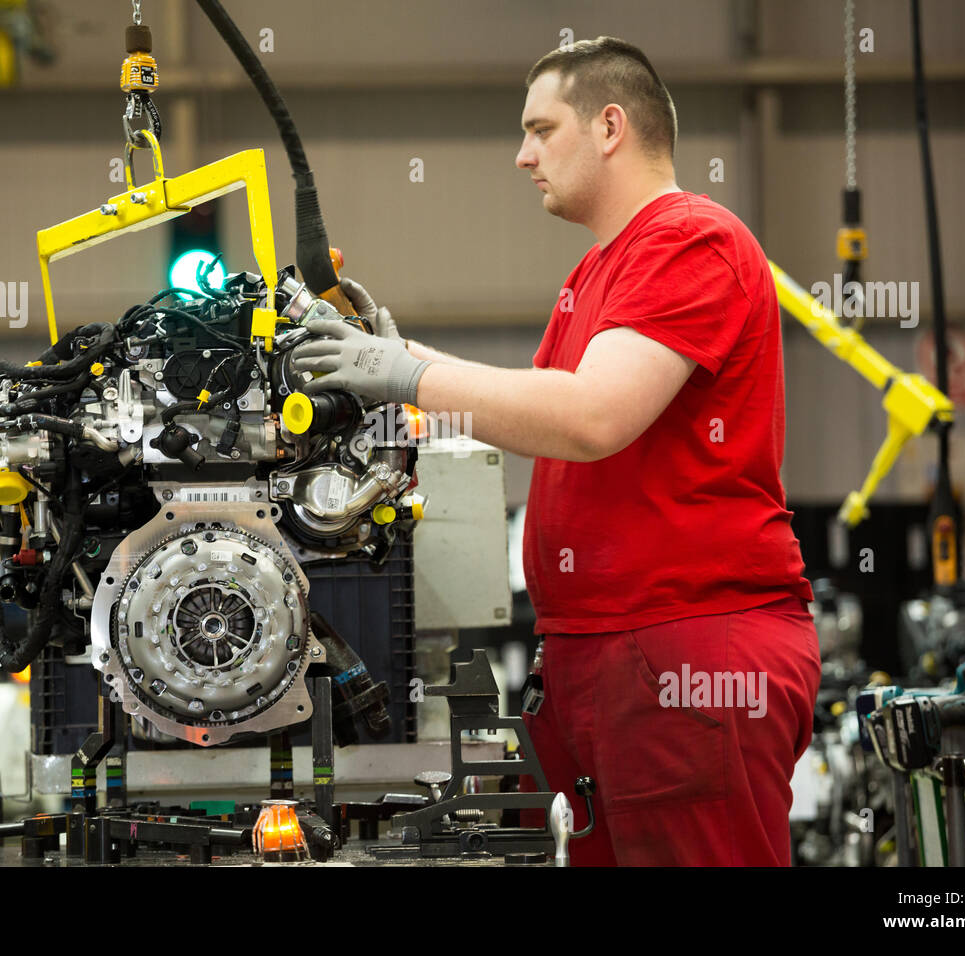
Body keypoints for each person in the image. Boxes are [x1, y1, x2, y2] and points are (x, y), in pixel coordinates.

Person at [289, 36, 820, 866]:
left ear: (610, 125)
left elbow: (590, 418)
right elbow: (528, 414)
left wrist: (405, 374)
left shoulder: (689, 240)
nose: (522, 155)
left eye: (541, 129)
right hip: (601, 656)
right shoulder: (596, 274)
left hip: (685, 651)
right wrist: (386, 369)